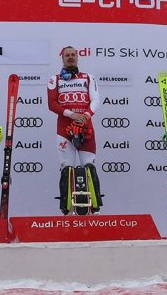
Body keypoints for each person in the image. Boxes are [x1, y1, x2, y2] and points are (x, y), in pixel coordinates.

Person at [47, 46, 102, 215]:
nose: (70, 58)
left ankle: (96, 210)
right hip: (64, 130)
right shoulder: (54, 80)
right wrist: (72, 115)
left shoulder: (88, 78)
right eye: (67, 56)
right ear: (62, 59)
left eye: (73, 55)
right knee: (67, 169)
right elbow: (52, 104)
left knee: (89, 167)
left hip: (86, 129)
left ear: (78, 58)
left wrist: (85, 115)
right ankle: (66, 210)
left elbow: (96, 100)